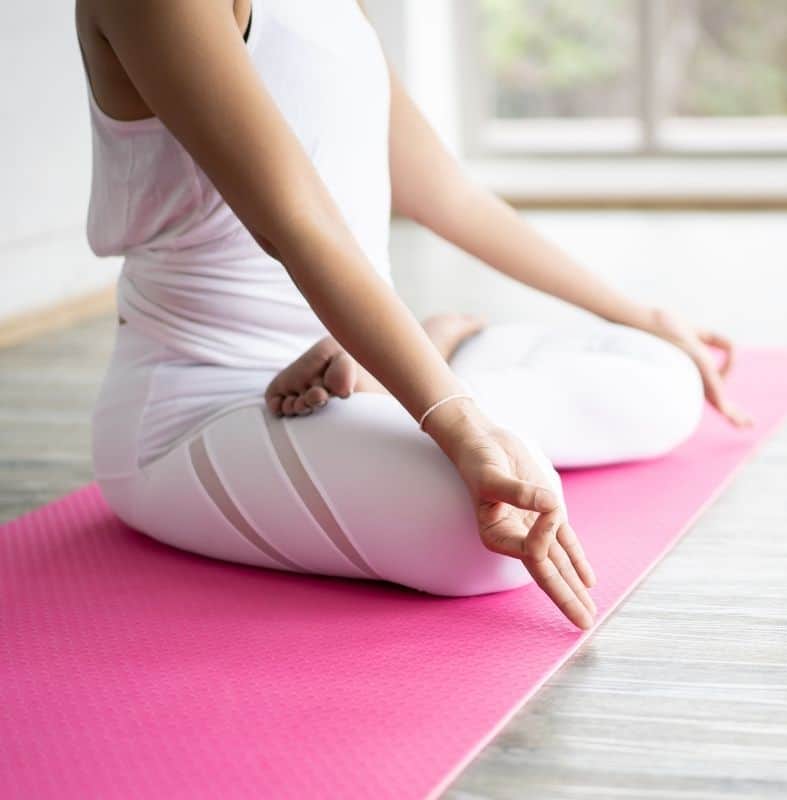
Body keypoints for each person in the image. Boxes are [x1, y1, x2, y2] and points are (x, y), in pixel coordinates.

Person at [77, 0, 749, 630]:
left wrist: (640, 313)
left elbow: (446, 192)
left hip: (362, 355)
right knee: (480, 532)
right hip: (203, 405)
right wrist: (457, 424)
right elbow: (297, 224)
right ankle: (423, 368)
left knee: (662, 378)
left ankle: (403, 363)